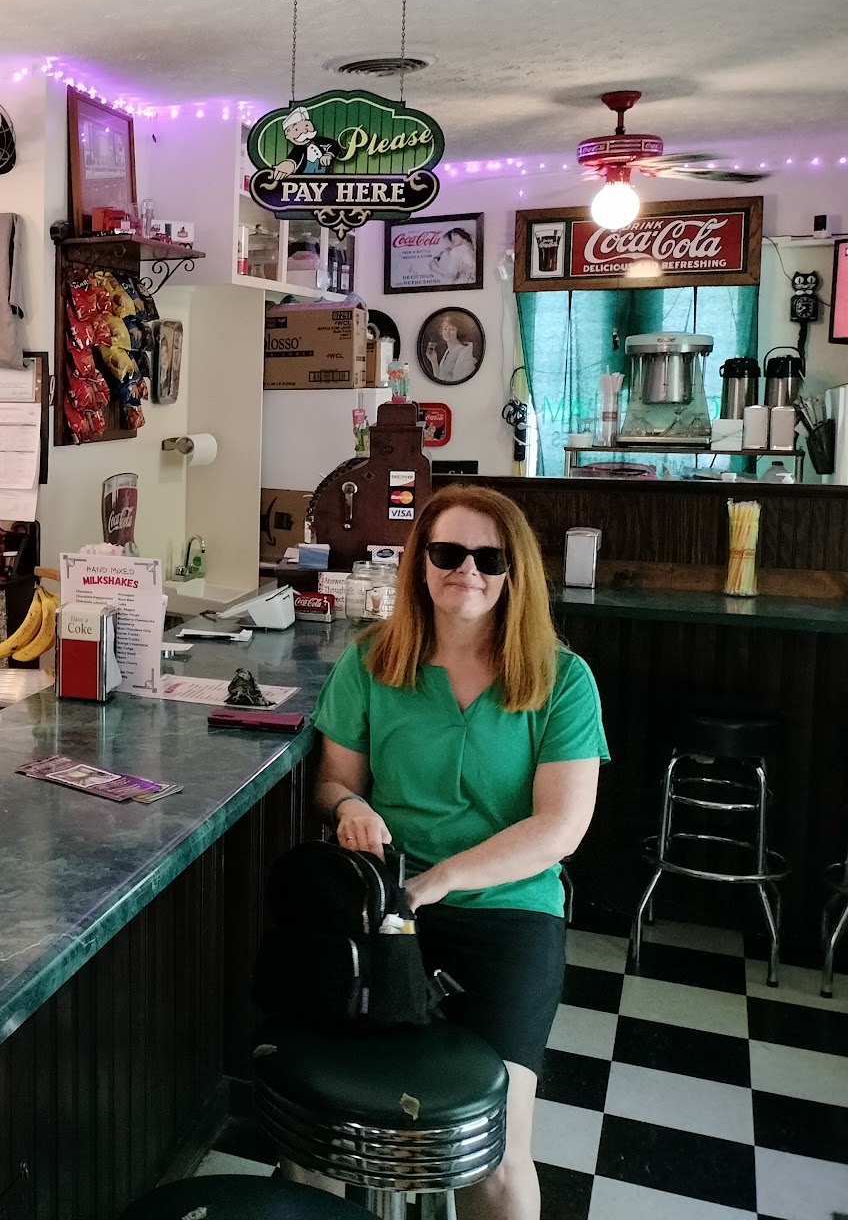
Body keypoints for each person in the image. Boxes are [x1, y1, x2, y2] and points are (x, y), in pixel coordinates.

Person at [306, 487, 607, 1220]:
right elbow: (335, 781)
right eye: (447, 552)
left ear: (513, 572)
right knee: (319, 1138)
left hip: (510, 912)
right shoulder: (371, 661)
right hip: (387, 909)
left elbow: (561, 828)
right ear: (420, 563)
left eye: (488, 558)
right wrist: (349, 807)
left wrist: (440, 880)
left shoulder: (563, 679)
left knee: (494, 1159)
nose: (466, 570)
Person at [429, 315, 477, 382]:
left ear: (459, 332)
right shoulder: (448, 352)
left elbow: (459, 381)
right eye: (445, 329)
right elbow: (440, 379)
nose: (447, 332)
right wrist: (434, 361)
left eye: (452, 329)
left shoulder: (464, 353)